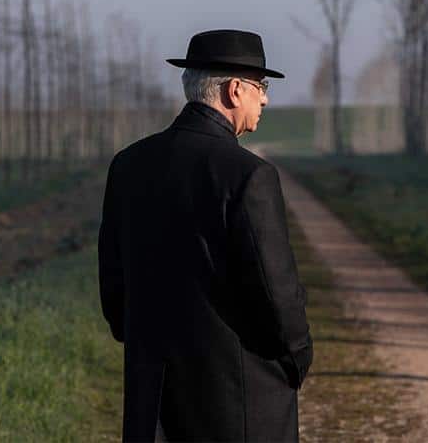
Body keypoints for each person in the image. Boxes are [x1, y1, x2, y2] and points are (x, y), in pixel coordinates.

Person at [98, 29, 313, 442]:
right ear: (235, 91)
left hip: (153, 396)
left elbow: (114, 289)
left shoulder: (128, 165)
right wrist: (297, 358)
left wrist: (148, 346)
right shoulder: (249, 176)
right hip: (237, 400)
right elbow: (277, 294)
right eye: (261, 87)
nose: (265, 99)